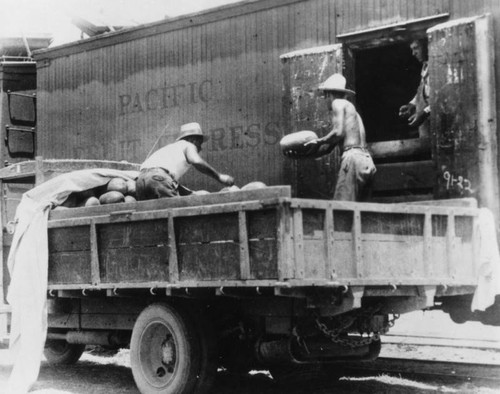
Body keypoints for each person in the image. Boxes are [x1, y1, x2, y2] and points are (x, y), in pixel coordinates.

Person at [299, 73, 376, 201]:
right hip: (367, 160)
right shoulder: (353, 113)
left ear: (328, 94)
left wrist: (318, 141)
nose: (324, 100)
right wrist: (303, 155)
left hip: (352, 159)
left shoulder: (337, 103)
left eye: (324, 96)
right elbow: (328, 148)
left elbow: (338, 133)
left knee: (341, 210)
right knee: (361, 213)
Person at [136, 122, 234, 200]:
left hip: (140, 182)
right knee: (176, 216)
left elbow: (163, 180)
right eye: (199, 143)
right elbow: (197, 162)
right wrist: (219, 177)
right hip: (158, 179)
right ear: (193, 139)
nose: (200, 148)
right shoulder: (188, 145)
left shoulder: (169, 149)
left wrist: (191, 193)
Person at [399, 38, 430, 138]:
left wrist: (424, 113)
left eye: (416, 48)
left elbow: (442, 96)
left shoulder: (438, 65)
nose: (413, 53)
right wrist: (411, 104)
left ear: (427, 46)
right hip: (427, 124)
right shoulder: (425, 66)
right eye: (412, 49)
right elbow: (422, 91)